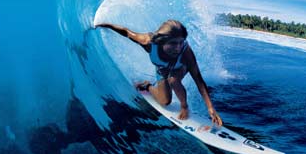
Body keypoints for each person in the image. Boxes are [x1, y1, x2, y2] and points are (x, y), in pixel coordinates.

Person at [95, 20, 223, 126]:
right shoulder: (148, 42)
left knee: (173, 80)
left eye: (181, 42)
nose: (178, 48)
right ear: (162, 41)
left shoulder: (186, 53)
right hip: (161, 69)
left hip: (179, 69)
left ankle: (184, 106)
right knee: (165, 101)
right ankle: (147, 86)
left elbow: (198, 79)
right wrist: (107, 25)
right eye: (173, 43)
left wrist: (210, 107)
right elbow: (126, 32)